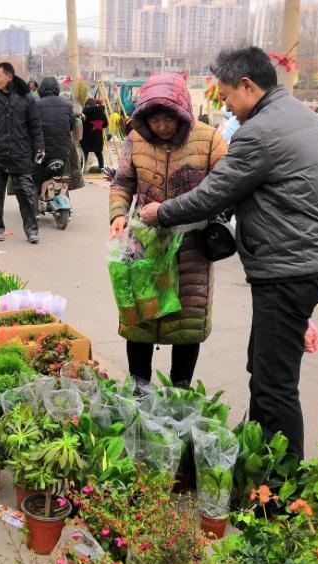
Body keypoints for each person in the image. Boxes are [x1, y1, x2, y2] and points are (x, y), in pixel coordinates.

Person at [139, 47, 318, 459]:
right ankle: (257, 451)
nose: (226, 106)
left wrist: (162, 213)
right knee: (262, 366)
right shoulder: (308, 120)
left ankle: (283, 481)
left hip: (284, 270)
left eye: (227, 96)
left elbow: (212, 194)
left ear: (247, 85)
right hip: (308, 262)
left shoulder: (260, 131)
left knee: (275, 383)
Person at [110, 73, 226, 389]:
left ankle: (181, 390)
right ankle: (139, 385)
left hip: (191, 247)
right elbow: (123, 182)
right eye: (155, 119)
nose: (161, 126)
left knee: (187, 321)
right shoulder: (136, 140)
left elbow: (223, 187)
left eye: (168, 119)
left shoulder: (209, 139)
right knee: (140, 317)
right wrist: (118, 214)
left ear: (182, 113)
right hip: (144, 246)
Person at [0, 62, 44, 243]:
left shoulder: (26, 97)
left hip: (20, 154)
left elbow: (35, 126)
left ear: (9, 77)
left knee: (26, 194)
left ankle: (31, 230)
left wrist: (39, 147)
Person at [33, 77, 74, 195]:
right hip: (62, 151)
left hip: (42, 151)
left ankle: (33, 210)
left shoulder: (36, 105)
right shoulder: (68, 105)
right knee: (61, 178)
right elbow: (71, 125)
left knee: (35, 180)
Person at [81, 98, 108, 172]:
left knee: (84, 153)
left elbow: (81, 124)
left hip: (86, 137)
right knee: (99, 153)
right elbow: (106, 124)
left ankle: (82, 169)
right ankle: (101, 168)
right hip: (97, 137)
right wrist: (99, 125)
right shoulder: (101, 113)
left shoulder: (84, 113)